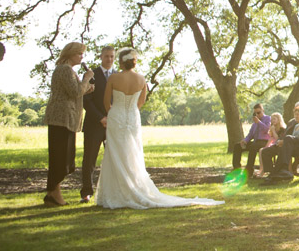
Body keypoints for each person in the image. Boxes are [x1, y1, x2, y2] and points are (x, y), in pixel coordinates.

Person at [95, 48, 223, 208]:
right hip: (133, 117)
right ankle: (132, 188)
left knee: (115, 152)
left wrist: (113, 113)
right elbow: (140, 103)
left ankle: (116, 193)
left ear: (121, 61)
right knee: (132, 152)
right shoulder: (141, 79)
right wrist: (131, 113)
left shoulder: (114, 78)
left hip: (116, 116)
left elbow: (106, 102)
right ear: (134, 61)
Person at [43, 42, 94, 206]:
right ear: (70, 54)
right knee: (61, 158)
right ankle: (54, 193)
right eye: (79, 54)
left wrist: (86, 87)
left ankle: (51, 193)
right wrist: (86, 79)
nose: (82, 57)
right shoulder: (64, 70)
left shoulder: (66, 70)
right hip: (61, 119)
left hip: (66, 119)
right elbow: (75, 92)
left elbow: (75, 91)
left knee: (64, 157)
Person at [80, 45, 115, 203]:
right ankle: (86, 192)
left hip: (113, 125)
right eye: (106, 56)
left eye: (112, 56)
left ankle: (114, 191)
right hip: (94, 124)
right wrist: (101, 118)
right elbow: (86, 100)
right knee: (89, 159)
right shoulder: (91, 74)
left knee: (115, 159)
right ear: (101, 56)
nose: (109, 59)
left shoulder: (118, 75)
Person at [261, 104, 299, 176]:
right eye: (295, 114)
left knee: (283, 148)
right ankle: (270, 172)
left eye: (297, 114)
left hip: (296, 147)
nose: (295, 116)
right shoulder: (295, 125)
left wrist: (285, 142)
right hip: (287, 144)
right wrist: (281, 142)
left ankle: (281, 171)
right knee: (265, 151)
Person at [233, 103, 271, 177]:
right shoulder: (255, 123)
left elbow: (267, 129)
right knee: (237, 146)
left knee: (253, 147)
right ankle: (236, 168)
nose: (257, 114)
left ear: (263, 110)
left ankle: (249, 170)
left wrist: (259, 122)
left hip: (264, 141)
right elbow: (250, 134)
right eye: (255, 113)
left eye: (258, 112)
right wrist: (245, 141)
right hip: (256, 141)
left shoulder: (267, 118)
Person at [258, 112, 286, 177]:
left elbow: (278, 139)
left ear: (279, 120)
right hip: (274, 145)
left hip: (280, 146)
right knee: (263, 150)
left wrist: (273, 131)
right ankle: (268, 170)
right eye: (272, 120)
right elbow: (271, 139)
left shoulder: (282, 129)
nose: (272, 121)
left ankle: (269, 171)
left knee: (266, 151)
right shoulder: (274, 128)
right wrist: (266, 147)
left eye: (274, 119)